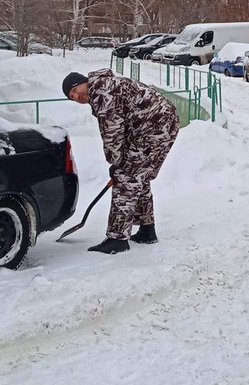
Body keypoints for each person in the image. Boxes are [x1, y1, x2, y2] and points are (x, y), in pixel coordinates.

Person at [62, 69, 180, 254]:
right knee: (137, 176)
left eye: (75, 90)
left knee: (126, 177)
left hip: (154, 128)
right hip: (156, 125)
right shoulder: (103, 87)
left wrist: (116, 163)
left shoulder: (102, 92)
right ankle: (146, 230)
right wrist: (119, 161)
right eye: (72, 97)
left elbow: (112, 133)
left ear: (83, 82)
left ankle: (117, 239)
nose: (76, 96)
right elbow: (121, 127)